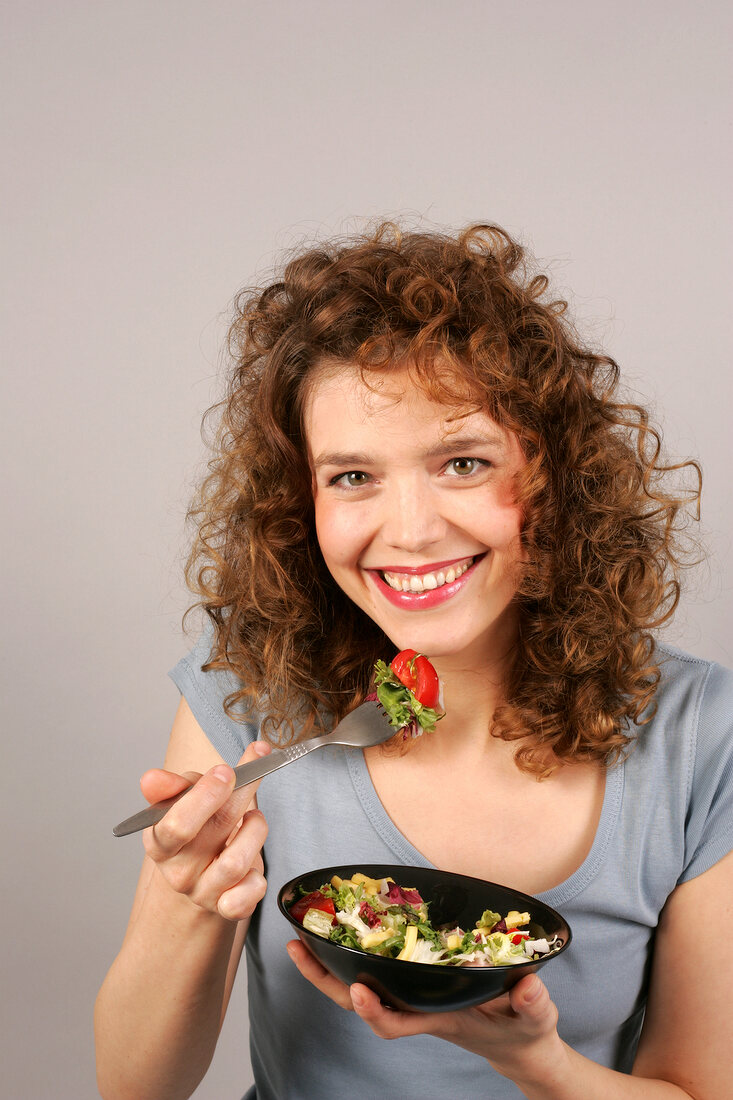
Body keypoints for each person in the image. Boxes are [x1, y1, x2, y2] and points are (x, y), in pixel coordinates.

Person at [95, 222, 733, 1100]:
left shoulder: (701, 734)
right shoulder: (253, 684)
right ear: (301, 501)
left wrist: (527, 1057)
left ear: (551, 477)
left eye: (462, 463)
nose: (409, 531)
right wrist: (191, 901)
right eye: (352, 478)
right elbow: (133, 1088)